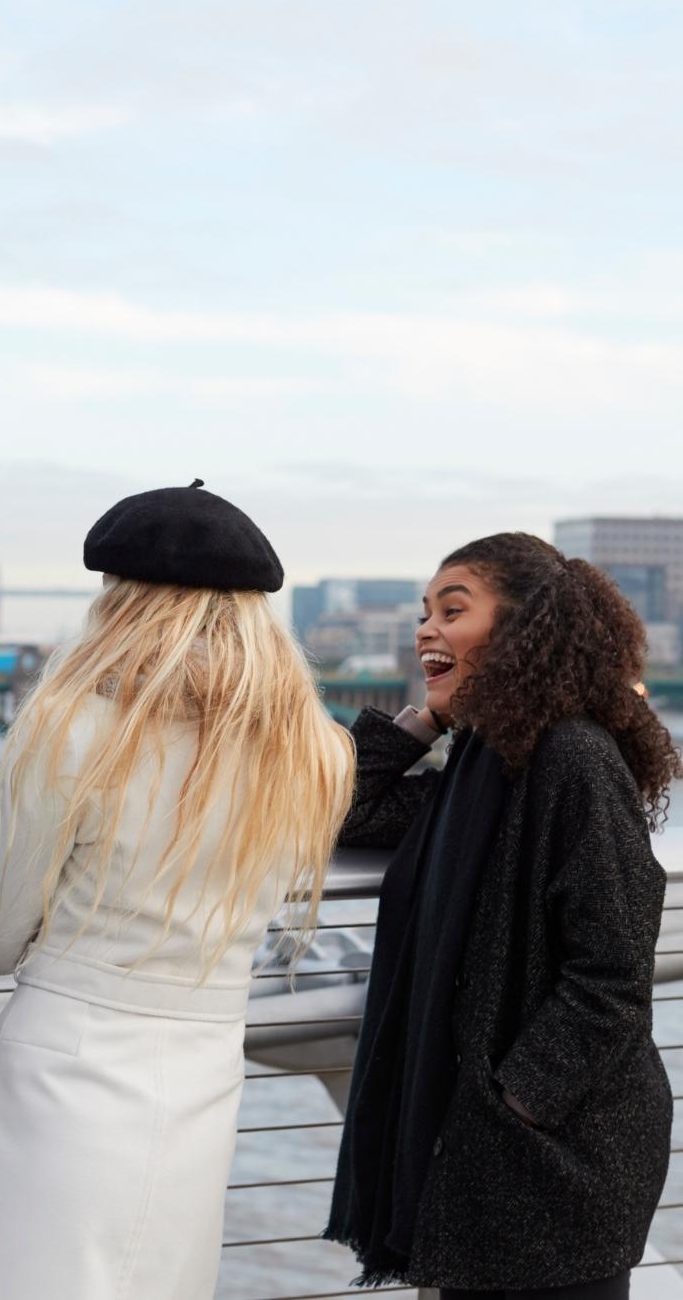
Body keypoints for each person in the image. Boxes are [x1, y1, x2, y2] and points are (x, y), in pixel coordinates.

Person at [0, 481, 355, 1300]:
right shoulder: (313, 754)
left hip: (60, 1081)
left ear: (122, 604)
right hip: (202, 1081)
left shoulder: (73, 728)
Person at [325, 532, 681, 1299]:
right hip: (497, 1155)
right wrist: (425, 722)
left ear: (524, 630)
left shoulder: (573, 760)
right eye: (424, 613)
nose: (426, 629)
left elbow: (613, 974)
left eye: (452, 609)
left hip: (560, 1157)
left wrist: (509, 1102)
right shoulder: (481, 766)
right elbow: (346, 816)